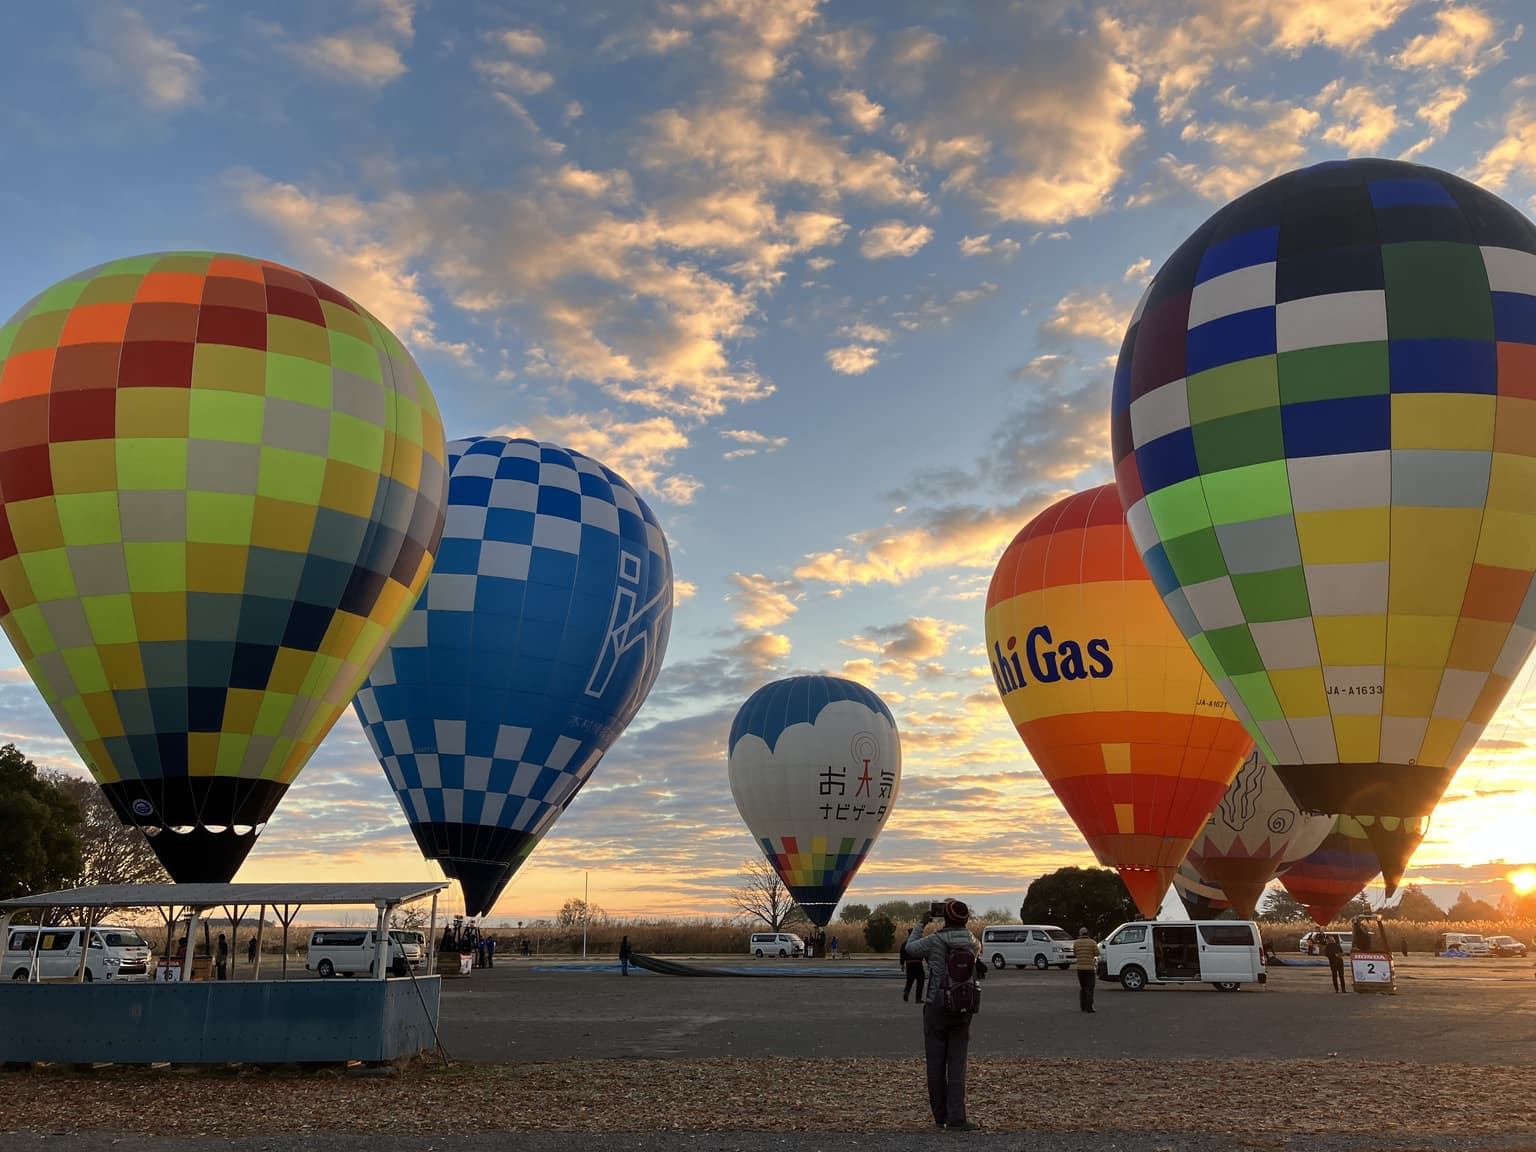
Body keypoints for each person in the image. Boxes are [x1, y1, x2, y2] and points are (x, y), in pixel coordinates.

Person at [903, 898, 985, 1132]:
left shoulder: (936, 939)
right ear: (966, 919)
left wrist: (921, 925)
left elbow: (911, 948)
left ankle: (940, 1117)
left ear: (945, 917)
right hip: (963, 1005)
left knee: (936, 1063)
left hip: (936, 1004)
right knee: (957, 1064)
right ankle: (958, 1117)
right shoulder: (973, 942)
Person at [1073, 928, 1099, 1013]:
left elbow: (1075, 953)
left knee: (1083, 988)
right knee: (1089, 988)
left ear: (1080, 934)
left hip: (1080, 968)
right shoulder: (1092, 942)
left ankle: (1083, 1006)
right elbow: (1097, 953)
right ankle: (1089, 1007)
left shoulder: (1076, 943)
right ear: (1087, 933)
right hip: (1090, 969)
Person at [902, 938, 926, 1005]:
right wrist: (928, 962)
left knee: (909, 980)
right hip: (918, 963)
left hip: (909, 964)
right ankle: (918, 998)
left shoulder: (905, 943)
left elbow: (902, 953)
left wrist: (902, 963)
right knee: (920, 981)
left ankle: (906, 991)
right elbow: (925, 951)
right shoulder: (919, 943)